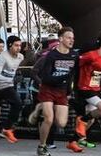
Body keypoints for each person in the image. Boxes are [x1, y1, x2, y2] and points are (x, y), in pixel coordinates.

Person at [35, 27, 81, 156]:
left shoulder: (74, 55)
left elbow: (74, 74)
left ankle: (41, 109)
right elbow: (46, 78)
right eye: (68, 37)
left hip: (62, 91)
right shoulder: (51, 55)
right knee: (49, 119)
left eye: (73, 38)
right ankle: (42, 146)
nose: (71, 40)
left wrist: (70, 89)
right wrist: (64, 77)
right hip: (48, 89)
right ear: (60, 39)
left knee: (61, 122)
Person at [72, 30, 101, 149]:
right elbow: (75, 64)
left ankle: (76, 140)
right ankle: (81, 125)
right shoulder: (90, 55)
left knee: (91, 118)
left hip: (95, 88)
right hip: (83, 88)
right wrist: (71, 85)